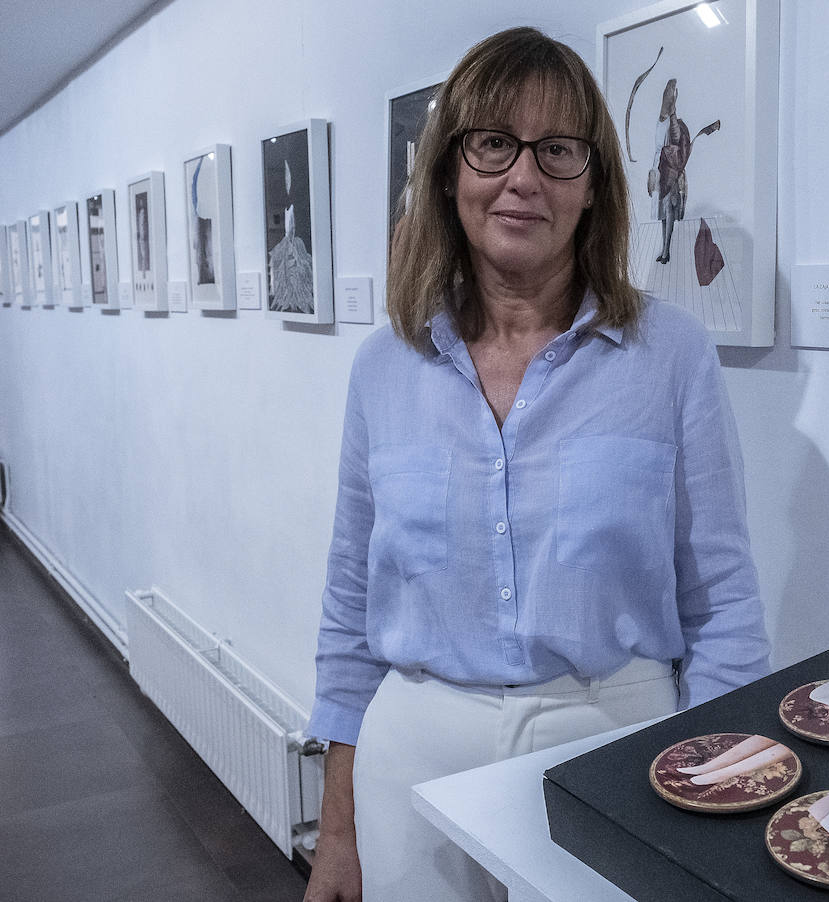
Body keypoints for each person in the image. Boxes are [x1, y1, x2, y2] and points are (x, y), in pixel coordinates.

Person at [304, 26, 768, 902]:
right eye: (493, 144)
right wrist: (337, 832)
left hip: (612, 741)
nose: (523, 177)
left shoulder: (669, 356)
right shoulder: (384, 366)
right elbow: (348, 611)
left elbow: (723, 605)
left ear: (593, 187)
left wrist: (720, 805)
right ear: (449, 170)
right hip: (413, 753)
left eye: (558, 150)